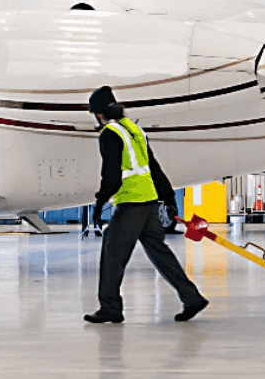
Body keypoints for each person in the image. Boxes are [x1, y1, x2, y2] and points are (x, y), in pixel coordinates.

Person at [84, 86, 208, 324]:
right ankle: (191, 297)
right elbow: (154, 168)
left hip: (131, 204)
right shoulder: (135, 130)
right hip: (149, 202)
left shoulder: (109, 133)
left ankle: (110, 307)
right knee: (160, 253)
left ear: (98, 114)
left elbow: (111, 175)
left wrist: (99, 203)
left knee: (112, 253)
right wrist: (169, 198)